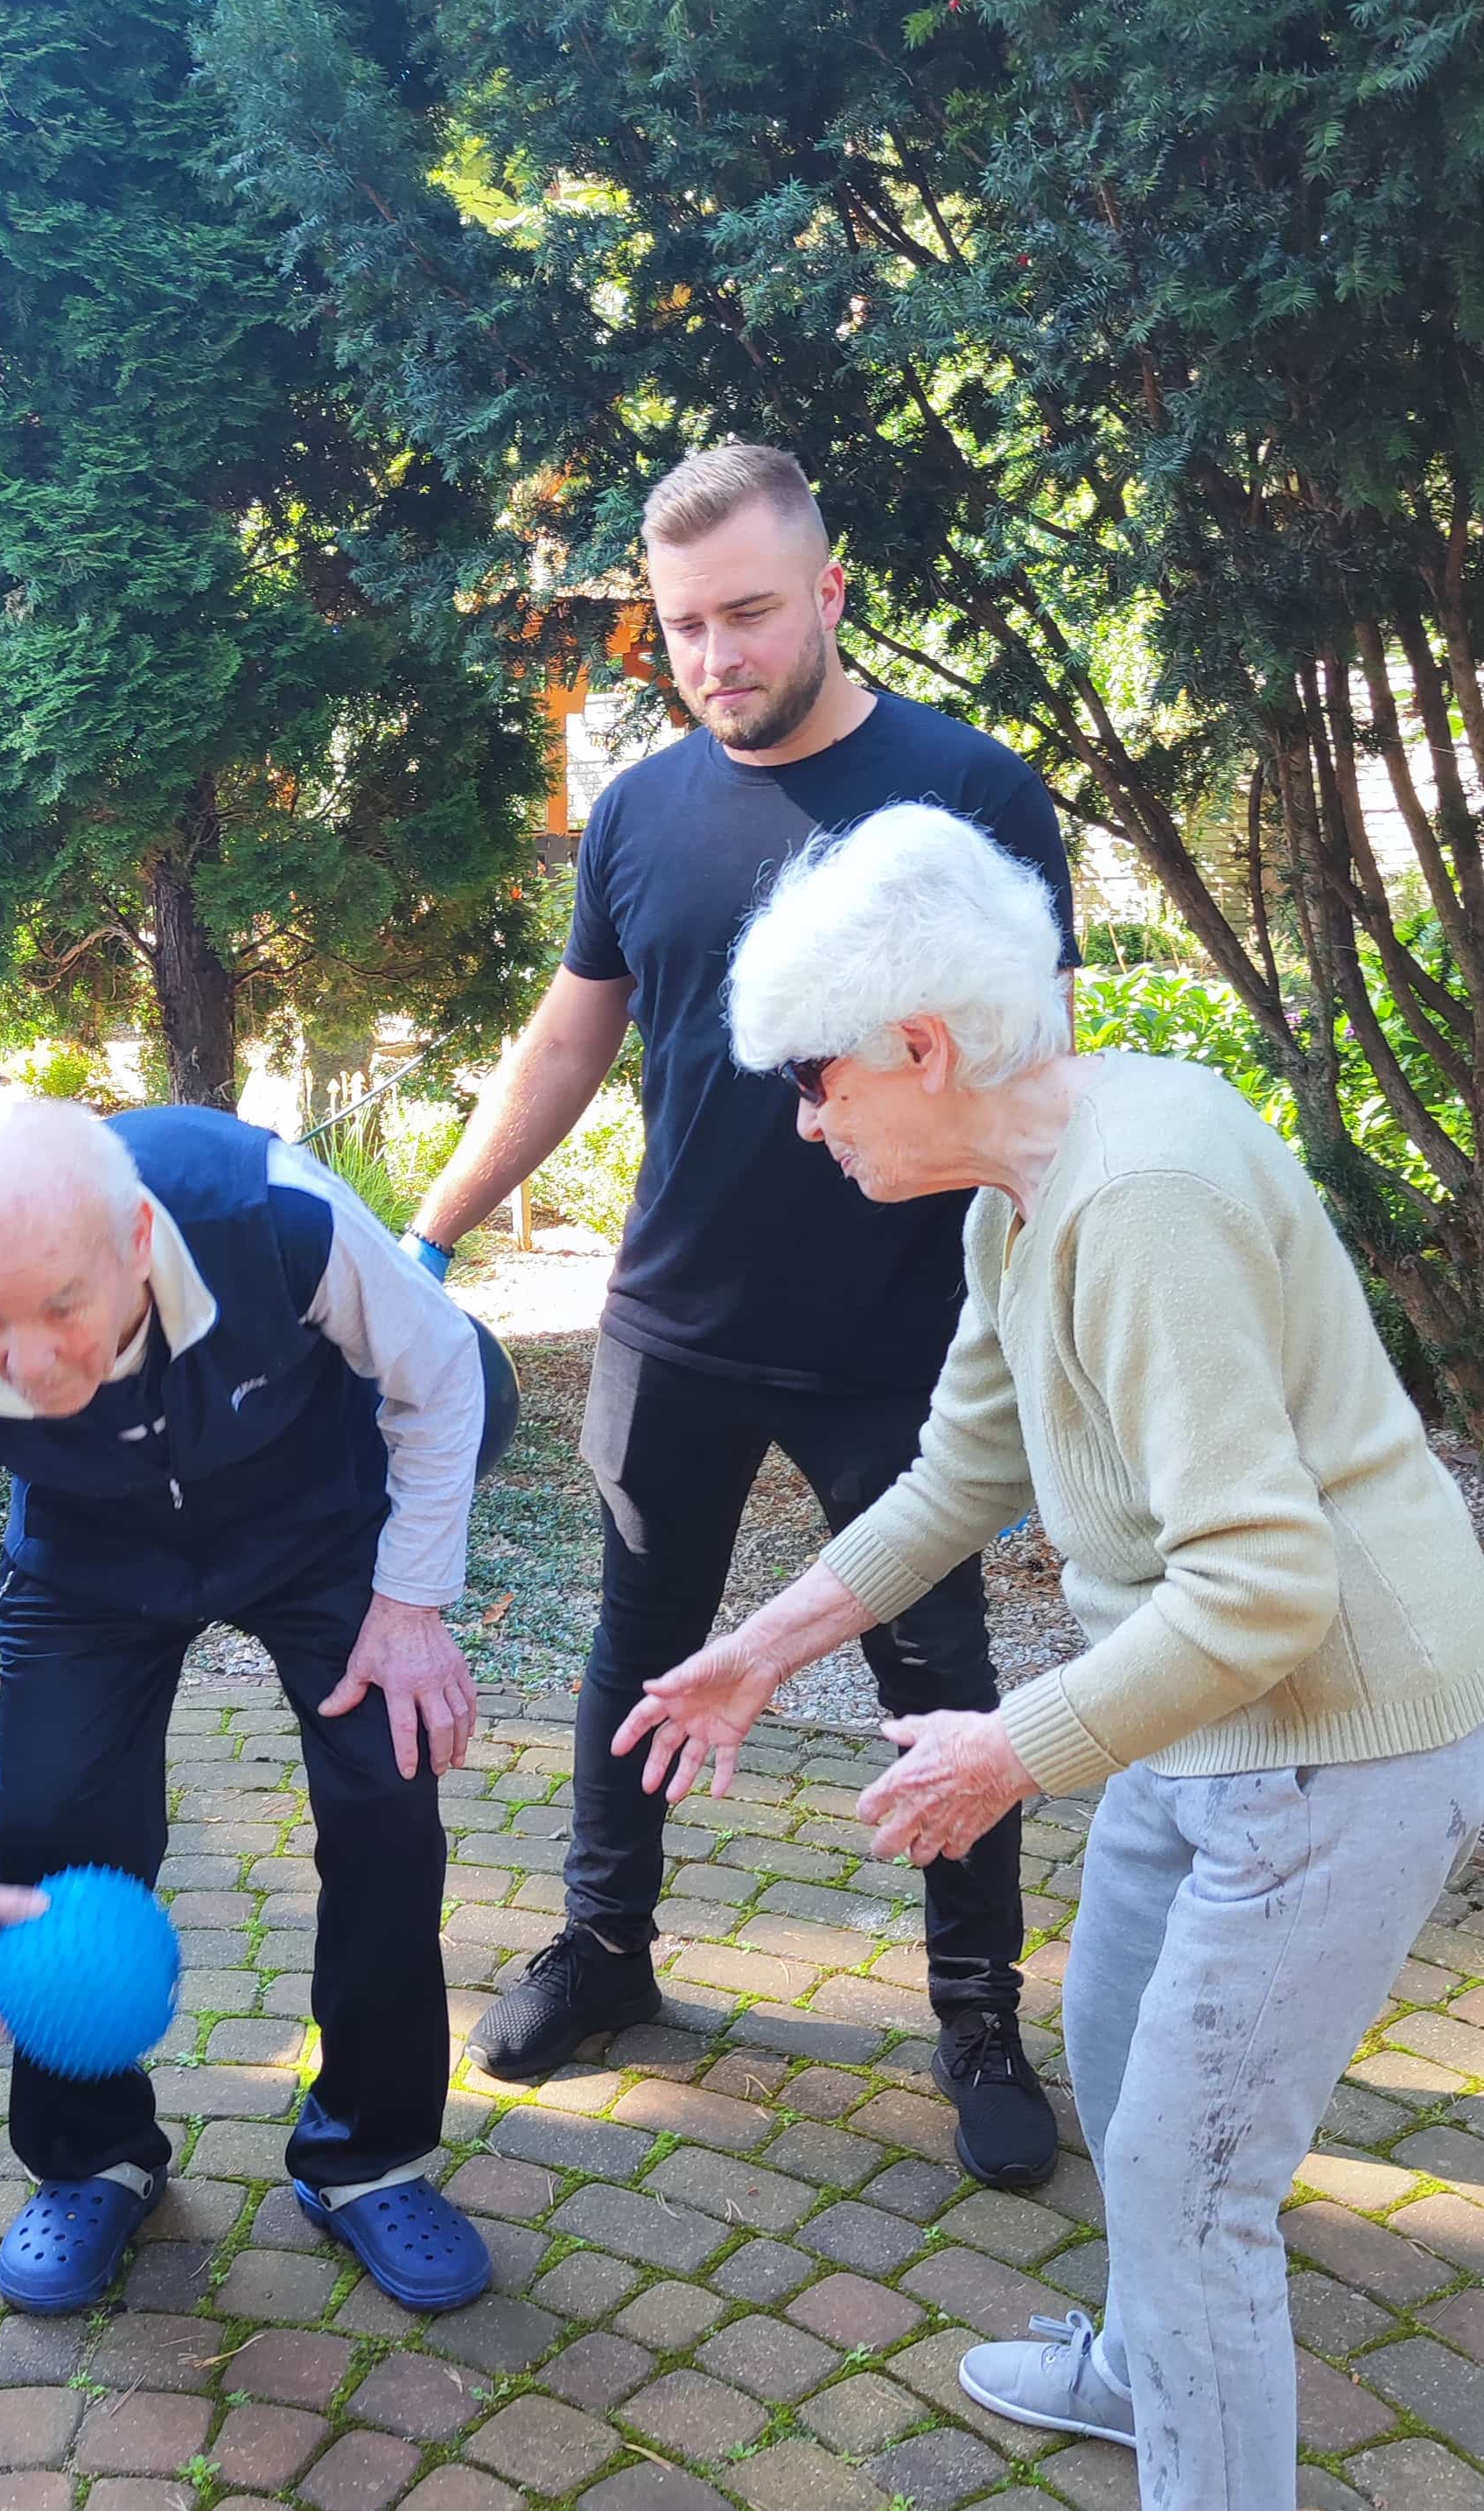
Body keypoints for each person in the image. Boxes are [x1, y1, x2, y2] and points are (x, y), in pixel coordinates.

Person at [615, 803, 1484, 2511]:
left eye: (821, 1078)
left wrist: (1012, 1750)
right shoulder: (1022, 1191)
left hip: (1348, 1736)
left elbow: (1269, 1582)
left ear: (925, 1049)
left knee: (1196, 2175)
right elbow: (959, 1470)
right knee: (1109, 2038)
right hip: (1223, 1719)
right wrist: (764, 1645)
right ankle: (1144, 2367)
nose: (807, 1120)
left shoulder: (1137, 1199)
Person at [407, 444, 1075, 2186]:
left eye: (752, 613)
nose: (715, 655)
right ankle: (604, 1948)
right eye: (685, 624)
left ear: (833, 592)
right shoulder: (639, 811)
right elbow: (569, 1039)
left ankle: (980, 2017)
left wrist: (1072, 1283)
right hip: (674, 1319)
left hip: (900, 1335)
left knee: (934, 1678)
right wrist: (432, 1227)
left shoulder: (969, 791)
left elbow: (1033, 1064)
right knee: (642, 1646)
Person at [0, 1090, 505, 2317]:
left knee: (386, 1798)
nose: (26, 1362)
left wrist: (411, 1606)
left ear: (137, 1242)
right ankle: (93, 2159)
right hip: (90, 1556)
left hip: (309, 1514)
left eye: (59, 1311)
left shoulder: (268, 1213)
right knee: (43, 1822)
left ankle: (368, 2155)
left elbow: (442, 1372)